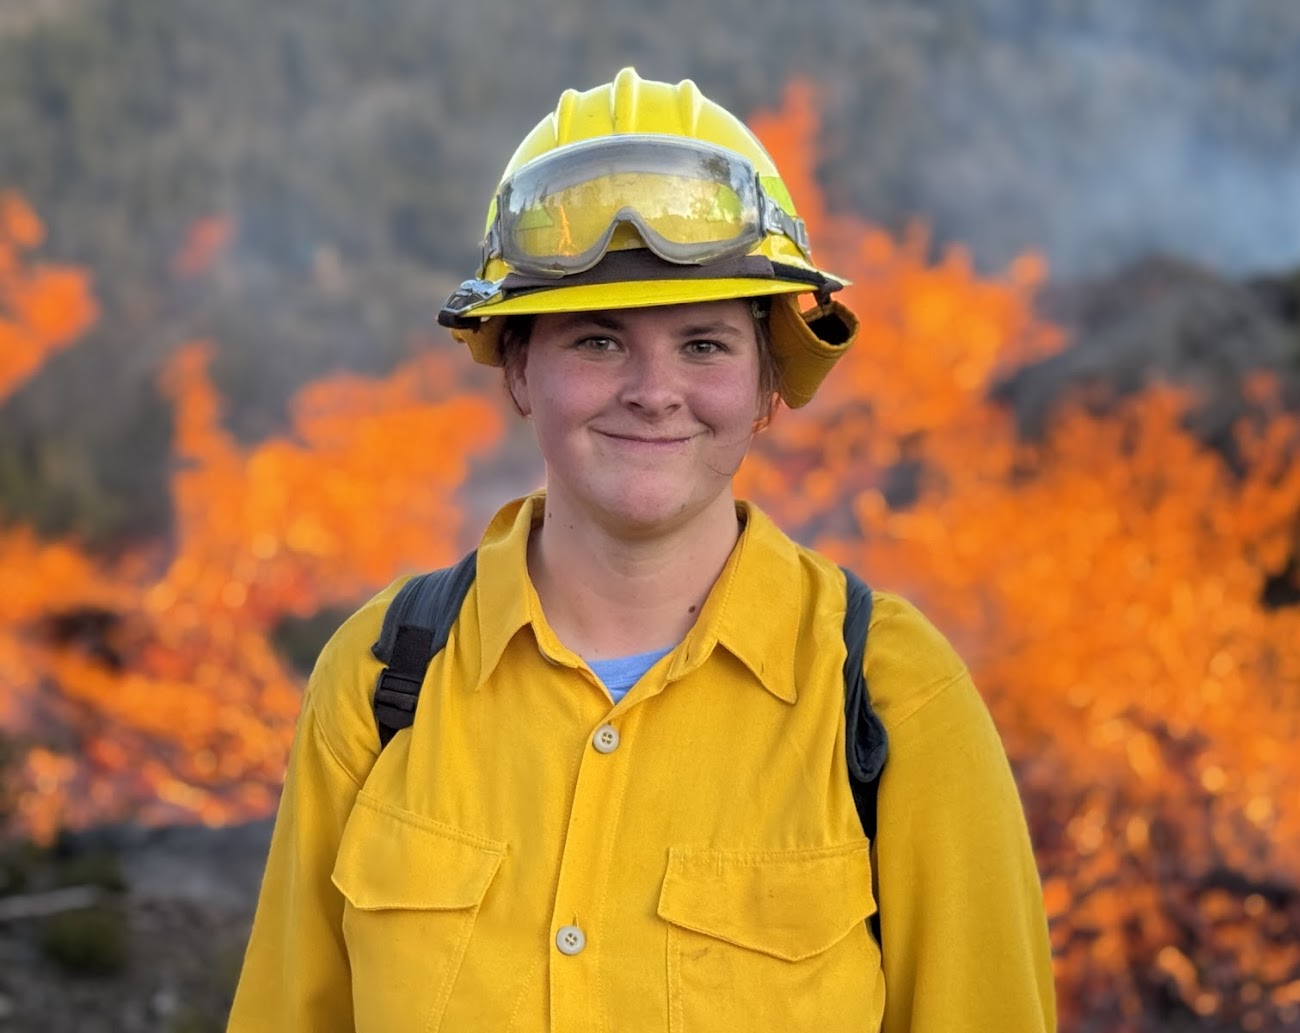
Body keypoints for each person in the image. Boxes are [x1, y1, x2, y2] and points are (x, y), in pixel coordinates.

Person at [227, 68, 1056, 1033]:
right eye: (599, 342)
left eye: (704, 344)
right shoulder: (380, 680)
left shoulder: (891, 698)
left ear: (766, 387)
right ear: (519, 371)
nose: (654, 391)